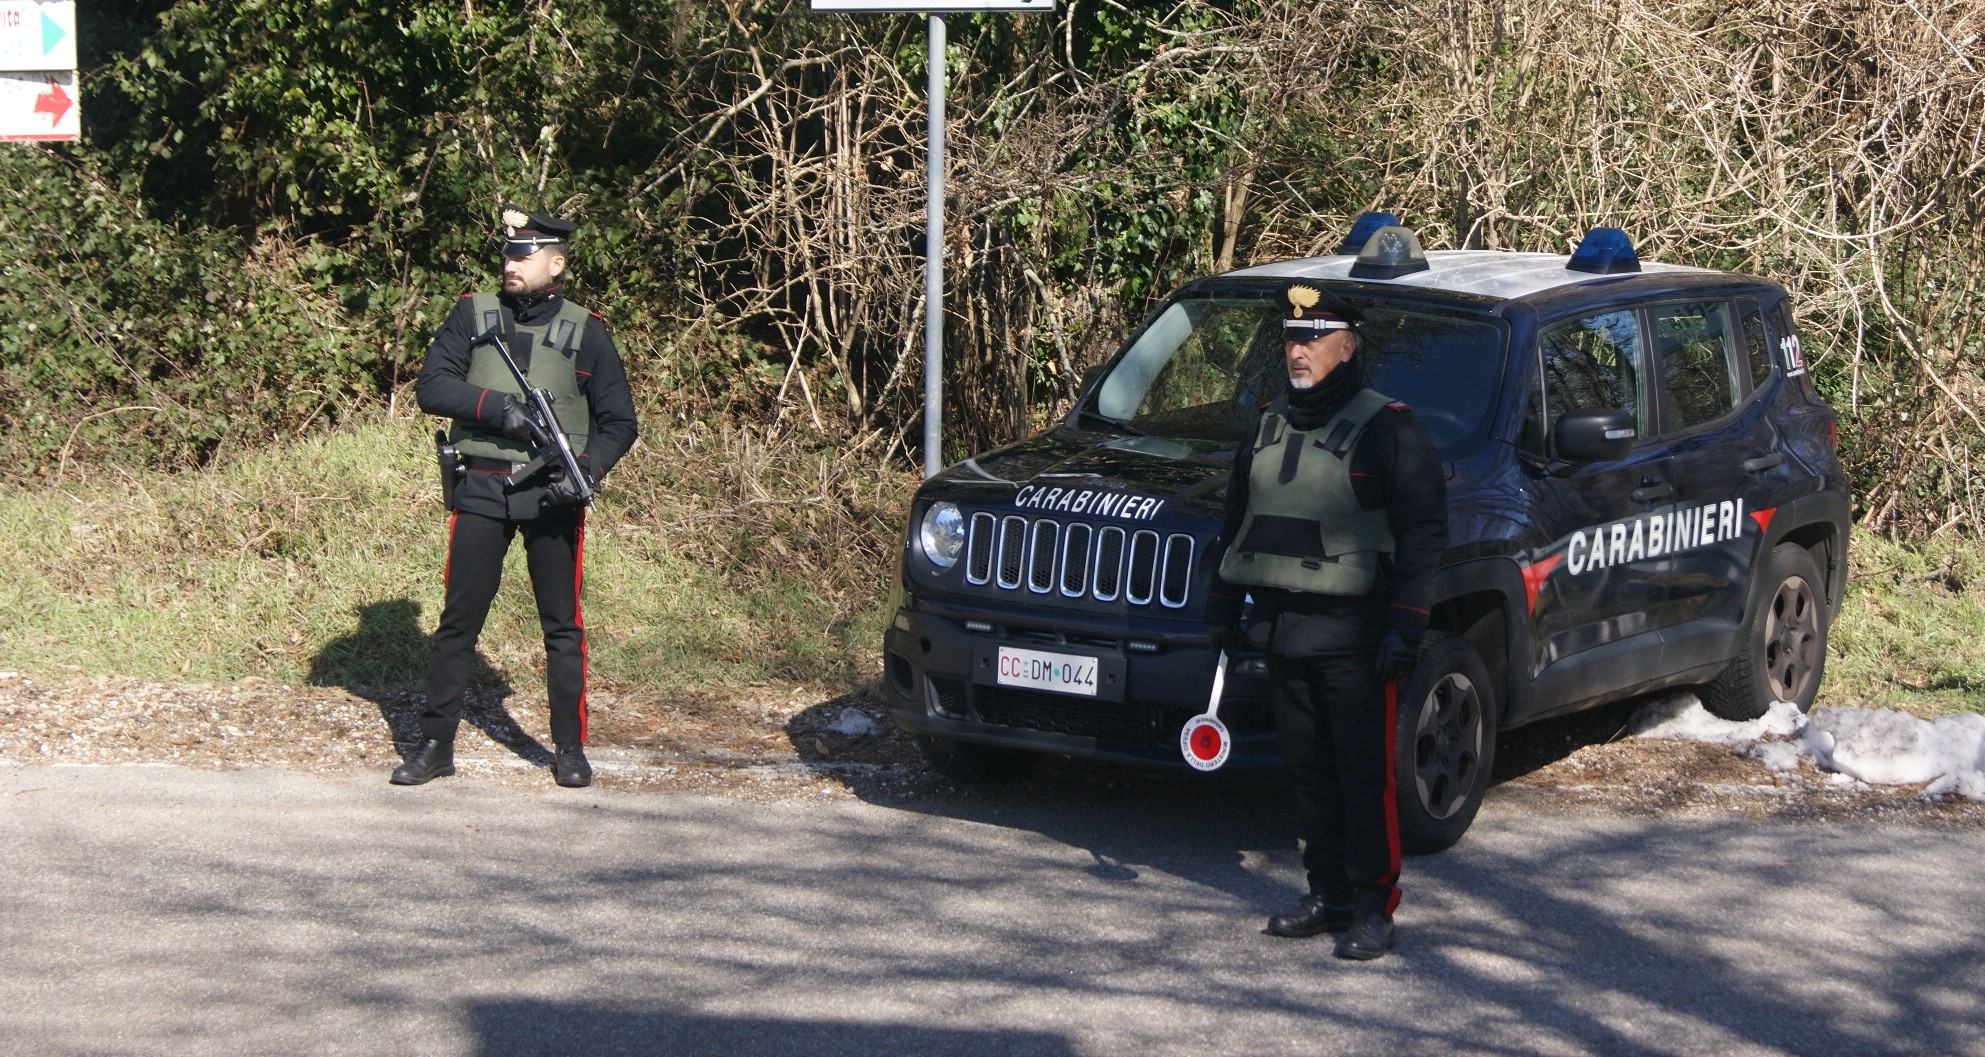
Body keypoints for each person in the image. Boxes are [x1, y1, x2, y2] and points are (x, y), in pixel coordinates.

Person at [1205, 280, 1447, 960]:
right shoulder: (1265, 422)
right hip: (1282, 623)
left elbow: (1423, 533)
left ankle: (1373, 904)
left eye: (1311, 338)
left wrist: (1405, 626)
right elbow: (1235, 523)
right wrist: (1221, 609)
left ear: (1347, 345)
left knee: (1362, 773)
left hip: (1357, 633)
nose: (1297, 349)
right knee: (1308, 770)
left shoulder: (1389, 428)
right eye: (1289, 336)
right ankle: (1326, 893)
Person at [394, 203, 640, 789]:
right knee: (458, 622)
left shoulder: (587, 330)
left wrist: (585, 469)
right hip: (481, 485)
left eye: (525, 254)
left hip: (553, 495)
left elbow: (619, 422)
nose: (511, 261)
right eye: (508, 251)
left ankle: (569, 748)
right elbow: (433, 385)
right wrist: (496, 409)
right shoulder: (470, 314)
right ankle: (435, 744)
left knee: (562, 626)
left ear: (555, 263)